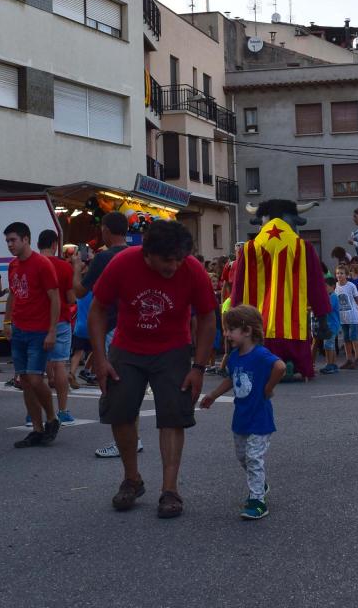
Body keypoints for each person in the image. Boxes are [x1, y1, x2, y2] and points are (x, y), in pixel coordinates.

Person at [89, 220, 217, 518]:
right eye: (167, 260)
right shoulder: (123, 263)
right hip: (127, 347)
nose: (174, 266)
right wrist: (100, 358)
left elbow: (208, 319)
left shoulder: (192, 270)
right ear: (148, 254)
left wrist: (198, 367)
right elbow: (97, 310)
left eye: (179, 259)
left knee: (173, 416)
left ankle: (169, 490)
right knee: (119, 410)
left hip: (172, 349)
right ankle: (132, 480)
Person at [200, 305, 286, 520]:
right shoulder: (235, 357)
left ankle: (257, 500)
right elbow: (231, 378)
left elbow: (280, 367)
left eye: (231, 329)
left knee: (254, 457)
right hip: (241, 417)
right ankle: (260, 484)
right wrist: (213, 395)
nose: (227, 334)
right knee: (242, 457)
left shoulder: (260, 354)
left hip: (260, 418)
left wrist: (268, 388)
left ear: (247, 331)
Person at [72, 211, 135, 457]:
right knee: (130, 383)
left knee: (115, 385)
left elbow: (79, 292)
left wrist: (76, 268)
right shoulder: (137, 254)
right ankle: (132, 438)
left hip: (111, 326)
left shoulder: (103, 257)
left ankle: (124, 442)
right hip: (134, 324)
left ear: (107, 230)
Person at [3, 222, 61, 448]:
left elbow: (55, 298)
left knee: (36, 379)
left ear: (26, 239)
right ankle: (37, 429)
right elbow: (13, 295)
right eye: (7, 241)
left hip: (39, 331)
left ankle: (52, 418)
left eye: (13, 240)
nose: (10, 245)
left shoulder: (42, 264)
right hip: (19, 329)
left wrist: (52, 331)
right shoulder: (13, 266)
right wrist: (7, 321)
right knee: (25, 381)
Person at [37, 229, 76, 426]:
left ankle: (33, 413)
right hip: (60, 320)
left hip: (35, 322)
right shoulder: (64, 267)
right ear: (54, 244)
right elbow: (70, 298)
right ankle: (63, 410)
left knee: (35, 369)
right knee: (60, 364)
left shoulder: (31, 264)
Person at [335, 264, 358, 369]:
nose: (339, 275)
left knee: (354, 337)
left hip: (352, 316)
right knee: (346, 339)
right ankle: (349, 359)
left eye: (341, 273)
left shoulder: (351, 286)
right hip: (342, 317)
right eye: (337, 273)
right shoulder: (336, 286)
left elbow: (357, 299)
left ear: (346, 275)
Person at [319, 277, 341, 374]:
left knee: (328, 345)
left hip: (332, 325)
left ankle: (330, 364)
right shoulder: (330, 296)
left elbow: (328, 308)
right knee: (330, 345)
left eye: (325, 286)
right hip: (330, 325)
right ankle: (333, 364)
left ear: (332, 286)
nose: (324, 288)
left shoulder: (333, 296)